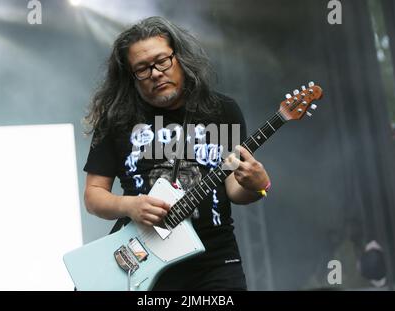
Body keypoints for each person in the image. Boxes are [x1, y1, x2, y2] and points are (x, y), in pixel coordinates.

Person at [83, 16, 270, 290]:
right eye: (143, 69)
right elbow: (93, 196)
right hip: (145, 260)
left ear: (179, 58)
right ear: (131, 77)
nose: (156, 73)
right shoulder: (116, 121)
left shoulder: (221, 110)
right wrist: (130, 206)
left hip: (214, 262)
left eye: (162, 61)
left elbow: (235, 190)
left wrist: (259, 185)